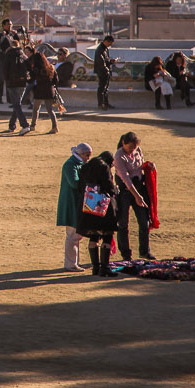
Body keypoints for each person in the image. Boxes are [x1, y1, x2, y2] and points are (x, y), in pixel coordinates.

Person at [76, 150, 119, 276]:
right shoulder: (104, 167)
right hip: (103, 207)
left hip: (88, 207)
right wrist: (115, 190)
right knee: (107, 235)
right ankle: (104, 268)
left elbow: (80, 187)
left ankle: (95, 267)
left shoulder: (85, 167)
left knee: (94, 237)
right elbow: (109, 187)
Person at [113, 131, 153, 260]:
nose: (132, 150)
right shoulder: (118, 156)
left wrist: (148, 165)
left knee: (144, 221)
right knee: (123, 223)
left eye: (134, 148)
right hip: (125, 191)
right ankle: (126, 254)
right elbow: (126, 179)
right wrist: (137, 196)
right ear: (123, 143)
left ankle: (144, 251)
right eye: (130, 147)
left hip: (138, 188)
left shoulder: (137, 150)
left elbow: (139, 166)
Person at [56, 142, 92, 272]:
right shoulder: (70, 165)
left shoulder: (77, 164)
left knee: (75, 234)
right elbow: (74, 183)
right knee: (72, 235)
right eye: (86, 155)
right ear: (80, 154)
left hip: (75, 202)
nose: (88, 157)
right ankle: (71, 264)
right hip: (71, 203)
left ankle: (74, 262)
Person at [28, 51, 59, 134]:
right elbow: (56, 80)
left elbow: (31, 79)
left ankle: (33, 126)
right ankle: (54, 126)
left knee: (35, 109)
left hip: (39, 91)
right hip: (49, 90)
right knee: (50, 110)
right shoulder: (51, 68)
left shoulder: (36, 69)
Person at [3, 43, 30, 134]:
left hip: (12, 83)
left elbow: (5, 70)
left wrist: (7, 80)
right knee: (17, 104)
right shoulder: (23, 55)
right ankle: (12, 125)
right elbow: (29, 67)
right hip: (22, 82)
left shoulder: (8, 56)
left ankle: (25, 125)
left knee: (16, 104)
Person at [94, 35, 115, 110]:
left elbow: (106, 60)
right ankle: (101, 104)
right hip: (102, 72)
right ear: (106, 41)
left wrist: (110, 62)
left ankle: (106, 103)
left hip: (105, 71)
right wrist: (106, 69)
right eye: (109, 44)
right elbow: (101, 62)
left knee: (105, 88)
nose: (110, 45)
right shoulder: (100, 49)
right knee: (102, 88)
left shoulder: (105, 49)